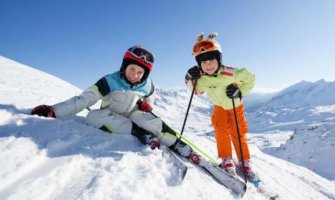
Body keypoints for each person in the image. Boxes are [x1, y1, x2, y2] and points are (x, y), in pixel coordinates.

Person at [31, 45, 199, 161]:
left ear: (145, 74)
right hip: (111, 114)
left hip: (134, 113)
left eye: (140, 72)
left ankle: (177, 144)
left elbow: (150, 96)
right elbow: (84, 99)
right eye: (132, 69)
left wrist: (147, 104)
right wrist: (54, 110)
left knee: (152, 121)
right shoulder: (109, 81)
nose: (135, 75)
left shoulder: (147, 84)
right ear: (124, 66)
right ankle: (140, 134)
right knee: (92, 116)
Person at [185, 33, 256, 176]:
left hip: (235, 107)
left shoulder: (231, 73)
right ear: (199, 64)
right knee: (221, 132)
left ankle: (244, 160)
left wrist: (240, 91)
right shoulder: (202, 79)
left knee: (238, 133)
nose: (208, 65)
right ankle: (226, 158)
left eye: (211, 60)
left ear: (219, 59)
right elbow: (195, 90)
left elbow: (250, 78)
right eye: (203, 62)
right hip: (219, 108)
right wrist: (189, 77)